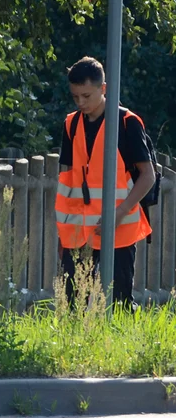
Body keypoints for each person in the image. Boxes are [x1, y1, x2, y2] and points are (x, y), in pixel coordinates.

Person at [54, 56, 153, 307]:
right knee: (72, 301)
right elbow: (69, 181)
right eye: (75, 96)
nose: (80, 102)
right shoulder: (70, 124)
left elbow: (148, 176)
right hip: (78, 230)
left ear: (104, 89)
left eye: (86, 96)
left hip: (119, 226)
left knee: (118, 303)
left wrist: (118, 213)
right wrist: (63, 235)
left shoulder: (127, 123)